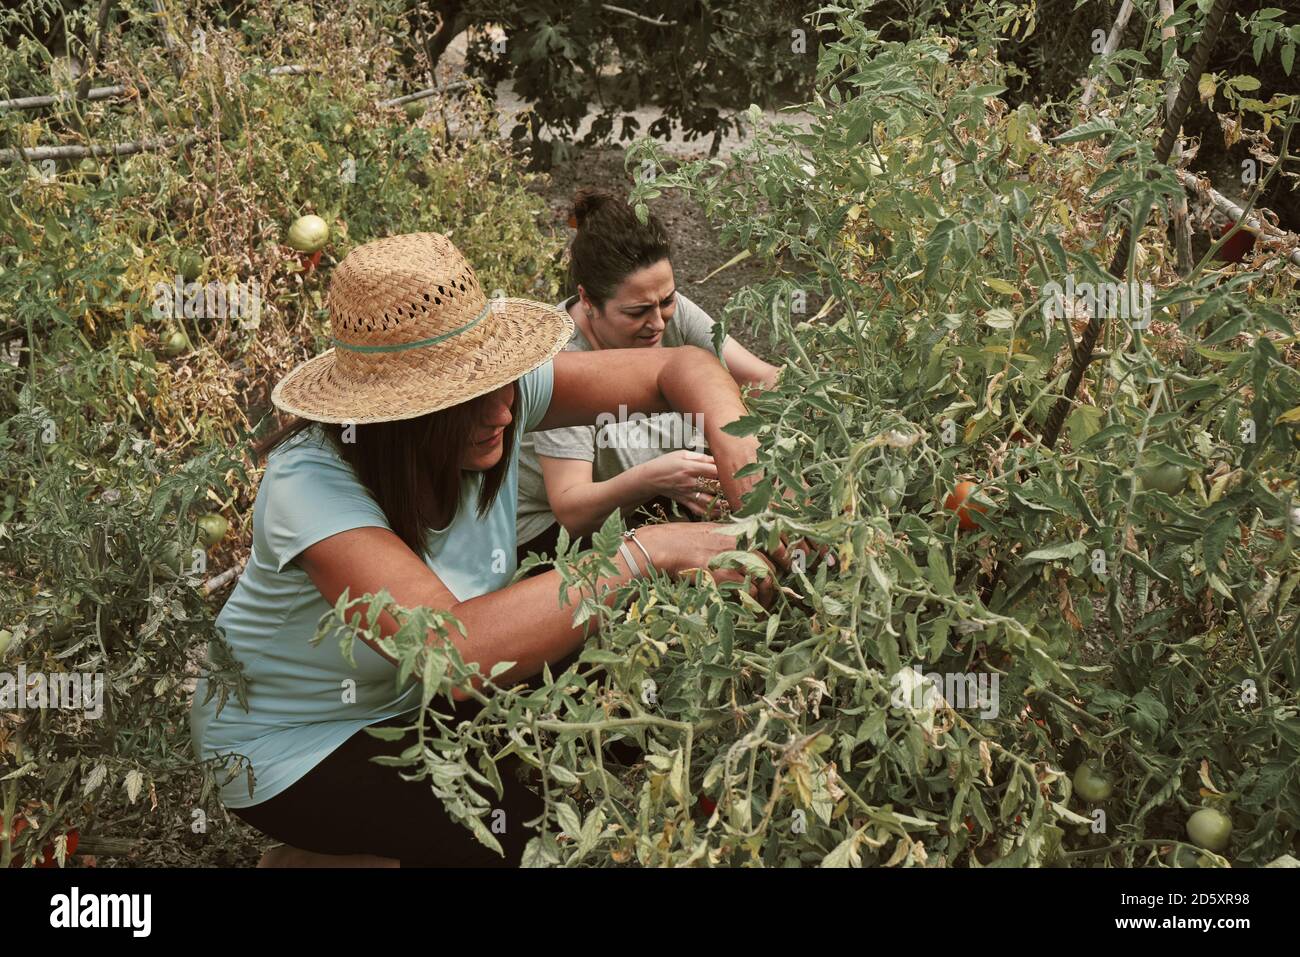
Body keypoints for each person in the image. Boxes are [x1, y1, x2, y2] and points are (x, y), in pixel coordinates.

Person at [189, 231, 787, 867]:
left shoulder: (498, 399)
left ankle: (353, 854)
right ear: (397, 416)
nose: (504, 412)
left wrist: (747, 468)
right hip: (293, 744)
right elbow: (451, 654)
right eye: (467, 400)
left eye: (501, 384)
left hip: (412, 702)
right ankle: (324, 851)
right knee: (517, 845)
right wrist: (647, 551)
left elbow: (680, 369)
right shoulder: (310, 486)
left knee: (627, 693)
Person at [515, 189, 780, 567]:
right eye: (637, 311)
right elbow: (572, 508)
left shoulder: (661, 308)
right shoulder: (558, 362)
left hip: (649, 490)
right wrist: (653, 480)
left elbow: (761, 380)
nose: (657, 322)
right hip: (556, 534)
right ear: (587, 301)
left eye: (667, 301)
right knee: (723, 568)